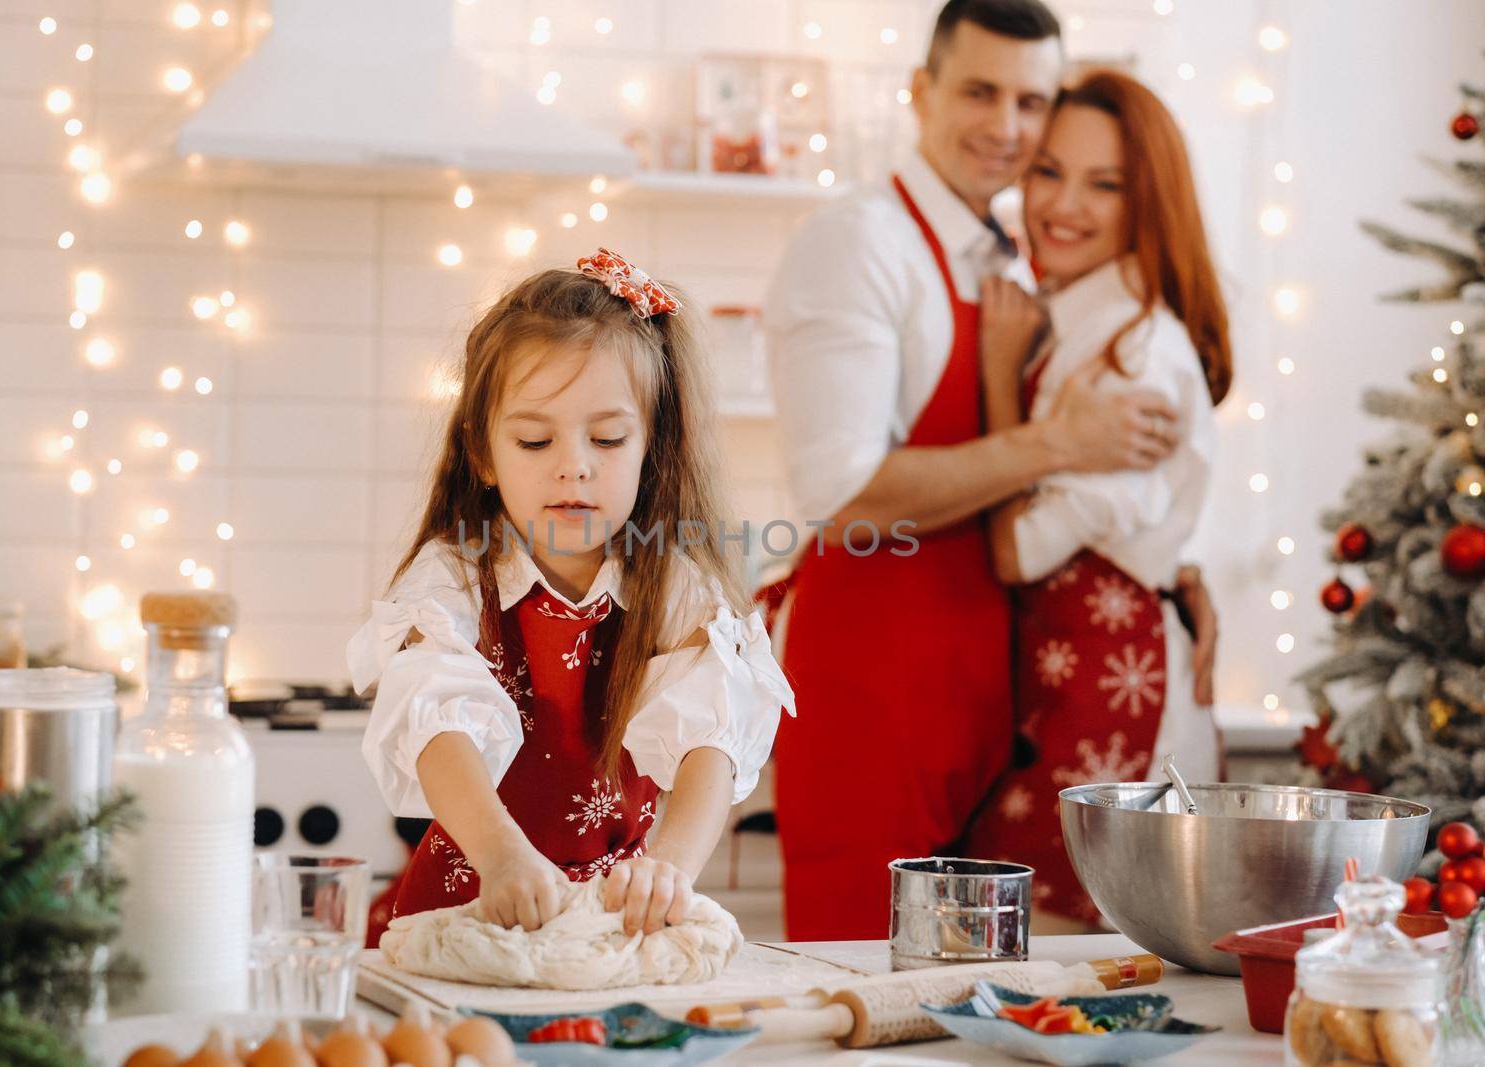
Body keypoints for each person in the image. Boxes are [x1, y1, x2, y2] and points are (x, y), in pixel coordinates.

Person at [764, 0, 1203, 942]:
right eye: (978, 91)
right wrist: (1058, 444)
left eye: (1030, 101)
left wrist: (1162, 557)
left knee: (960, 1014)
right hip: (875, 695)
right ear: (920, 94)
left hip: (986, 705)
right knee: (858, 995)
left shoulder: (1006, 256)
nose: (1005, 127)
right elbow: (841, 496)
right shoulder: (860, 242)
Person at [348, 250, 795, 944]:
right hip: (470, 909)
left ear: (653, 448)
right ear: (483, 452)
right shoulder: (453, 577)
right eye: (534, 438)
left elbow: (713, 743)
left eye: (608, 437)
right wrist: (502, 856)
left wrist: (669, 869)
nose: (573, 463)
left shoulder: (677, 585)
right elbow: (439, 729)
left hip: (614, 921)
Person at [961, 70, 1231, 925]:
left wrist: (999, 376)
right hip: (1069, 670)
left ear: (1146, 201)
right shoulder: (1079, 312)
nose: (1062, 205)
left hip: (1111, 683)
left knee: (1078, 958)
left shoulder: (1131, 357)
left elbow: (1017, 549)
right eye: (1048, 170)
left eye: (1104, 183)